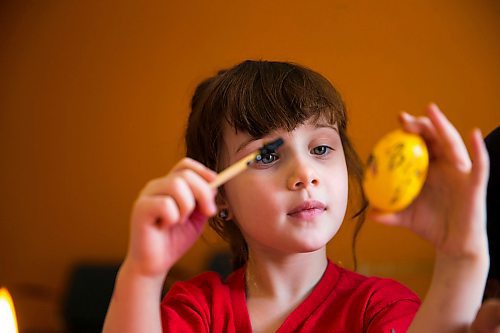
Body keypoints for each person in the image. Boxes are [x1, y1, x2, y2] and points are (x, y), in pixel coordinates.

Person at [103, 60, 490, 332]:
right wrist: (141, 273)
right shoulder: (196, 310)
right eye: (267, 155)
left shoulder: (380, 308)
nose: (305, 174)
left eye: (321, 149)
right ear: (219, 195)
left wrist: (461, 259)